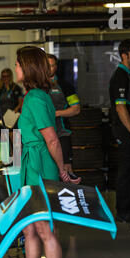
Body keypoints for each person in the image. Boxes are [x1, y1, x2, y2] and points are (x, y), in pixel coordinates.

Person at [16, 46, 75, 258]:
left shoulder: (36, 98)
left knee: (45, 230)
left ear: (27, 68)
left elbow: (52, 140)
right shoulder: (34, 96)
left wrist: (62, 171)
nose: (16, 68)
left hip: (41, 166)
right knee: (29, 230)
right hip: (31, 165)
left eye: (18, 64)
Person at [108, 39, 130, 224]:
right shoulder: (120, 75)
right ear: (124, 55)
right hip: (125, 130)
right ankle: (122, 211)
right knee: (126, 171)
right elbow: (120, 107)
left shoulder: (128, 74)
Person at [47, 54, 81, 183]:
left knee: (66, 169)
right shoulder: (37, 86)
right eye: (47, 65)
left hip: (62, 133)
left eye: (53, 65)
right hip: (44, 135)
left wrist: (56, 113)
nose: (50, 68)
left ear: (56, 67)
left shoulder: (65, 85)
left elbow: (76, 109)